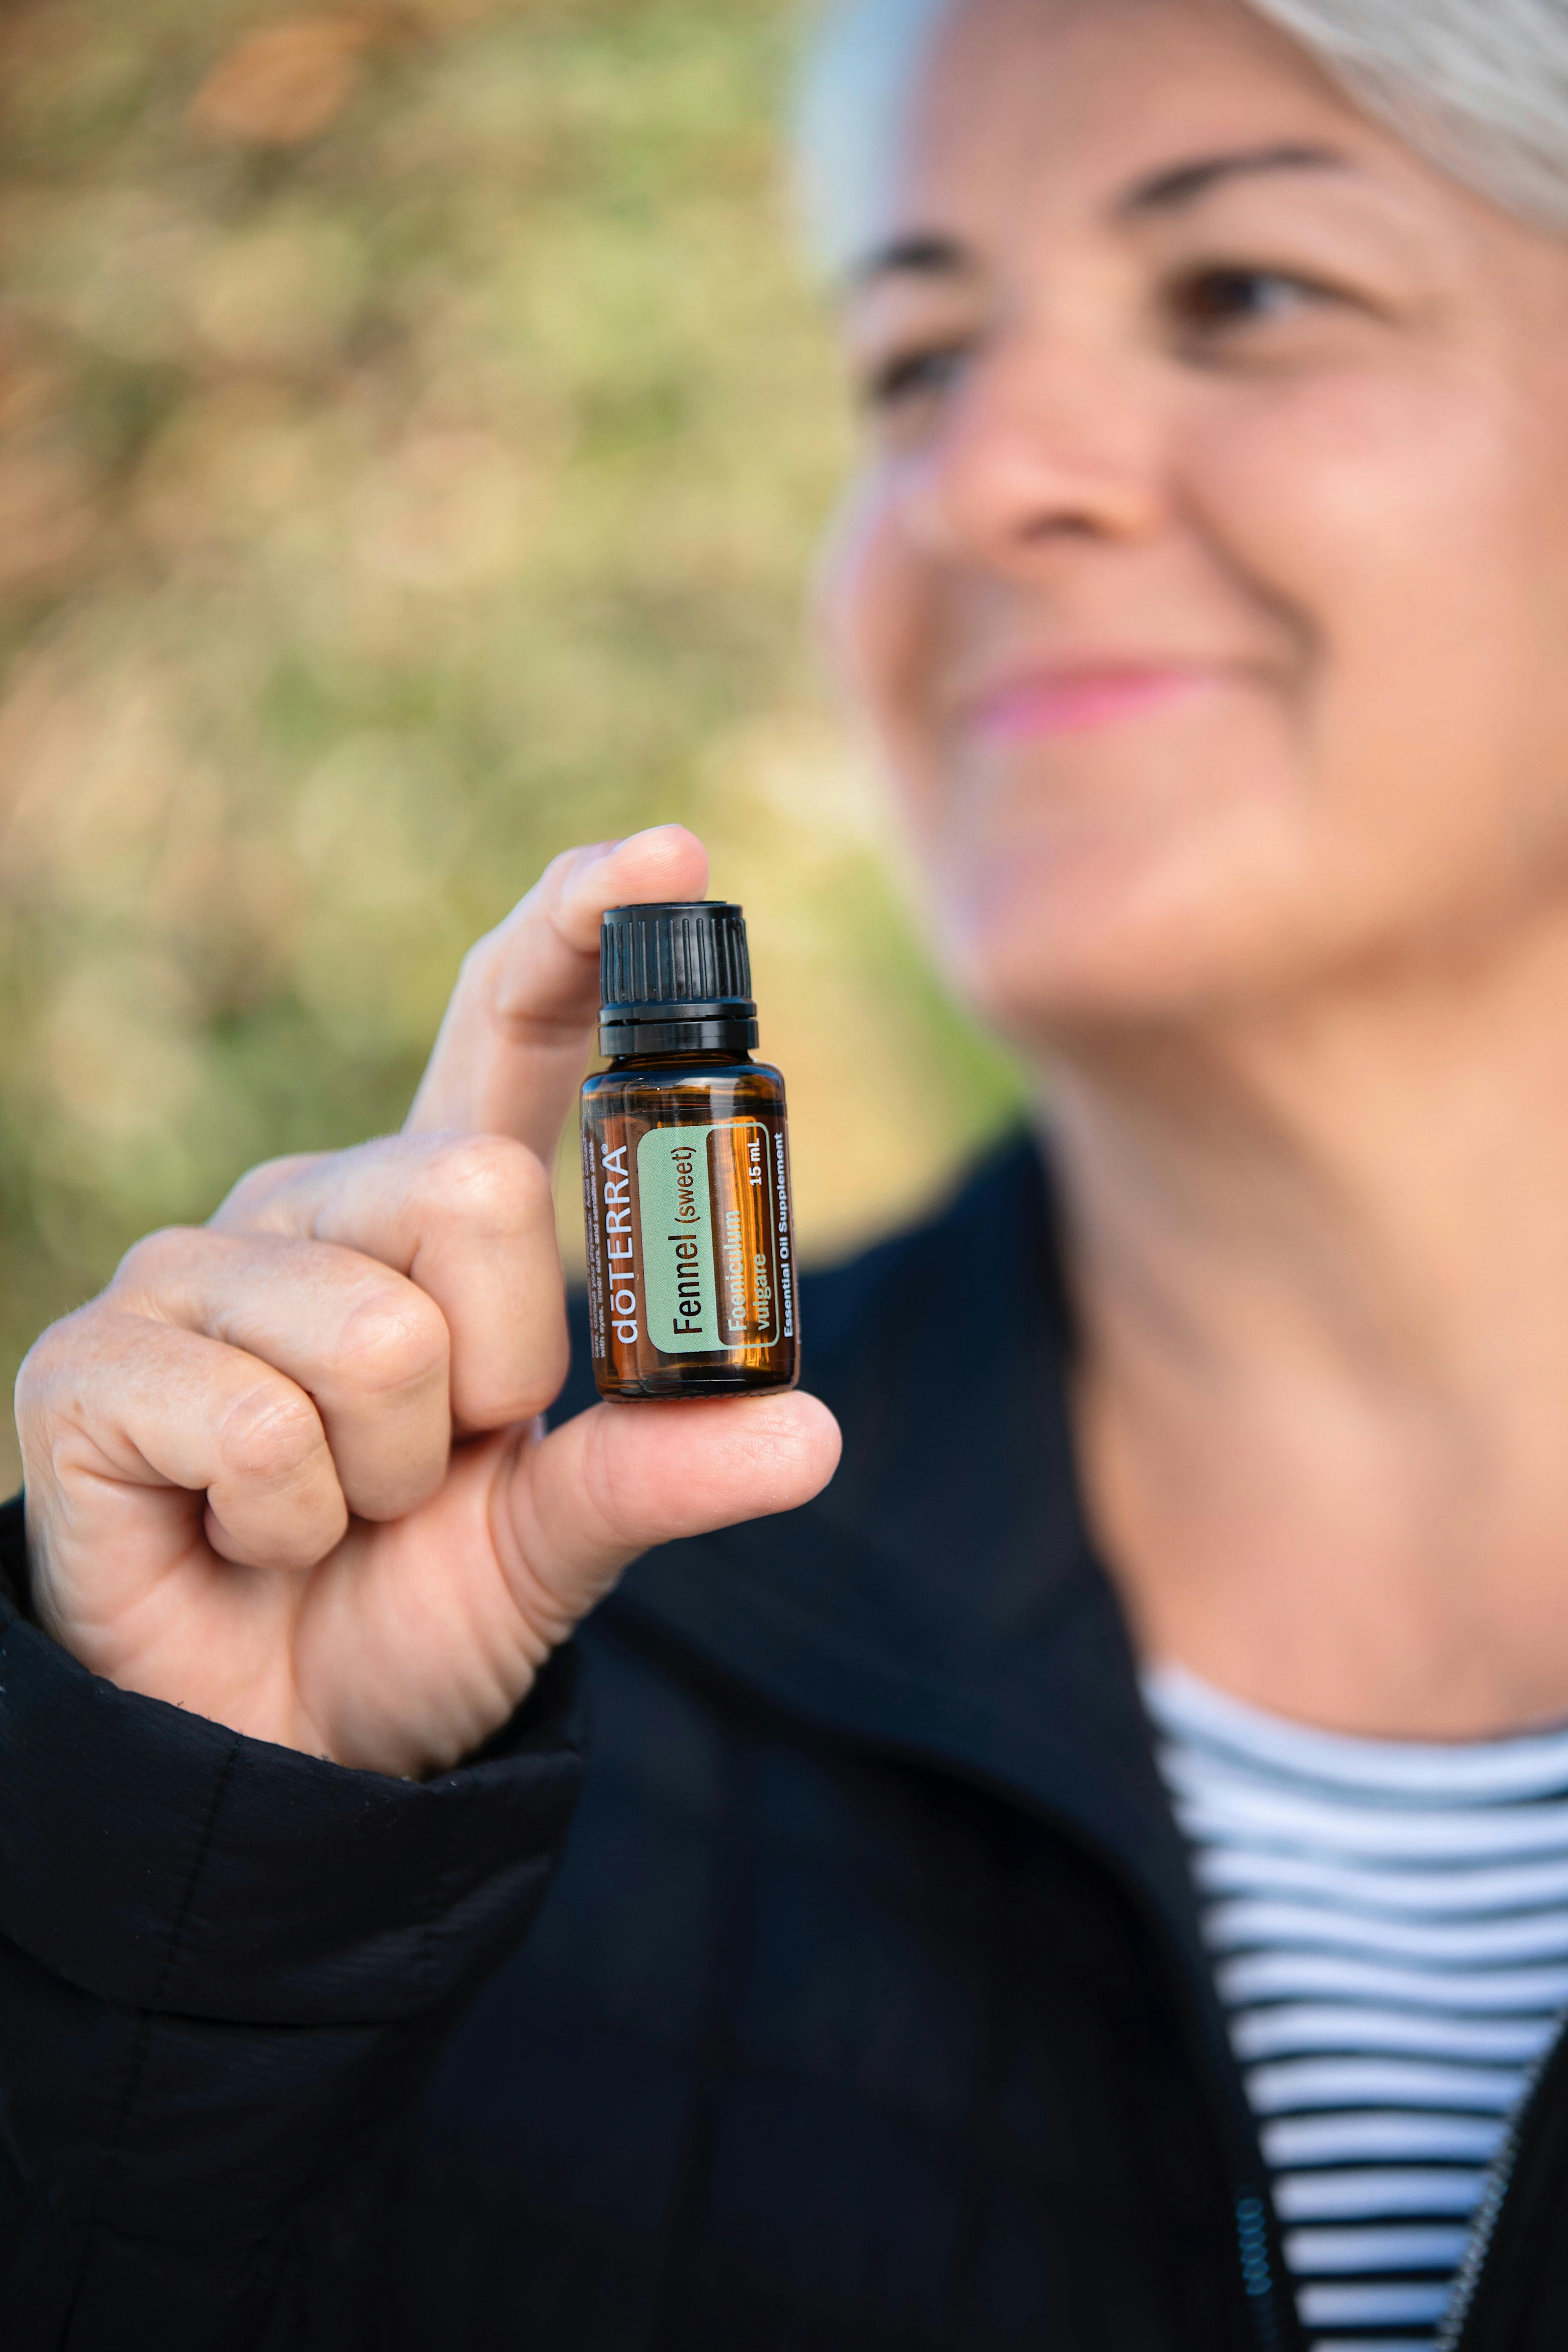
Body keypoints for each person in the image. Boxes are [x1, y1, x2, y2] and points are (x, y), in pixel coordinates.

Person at [10, 0, 1568, 2341]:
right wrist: (185, 1913)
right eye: (916, 359)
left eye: (1248, 291)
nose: (982, 476)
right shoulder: (494, 1696)